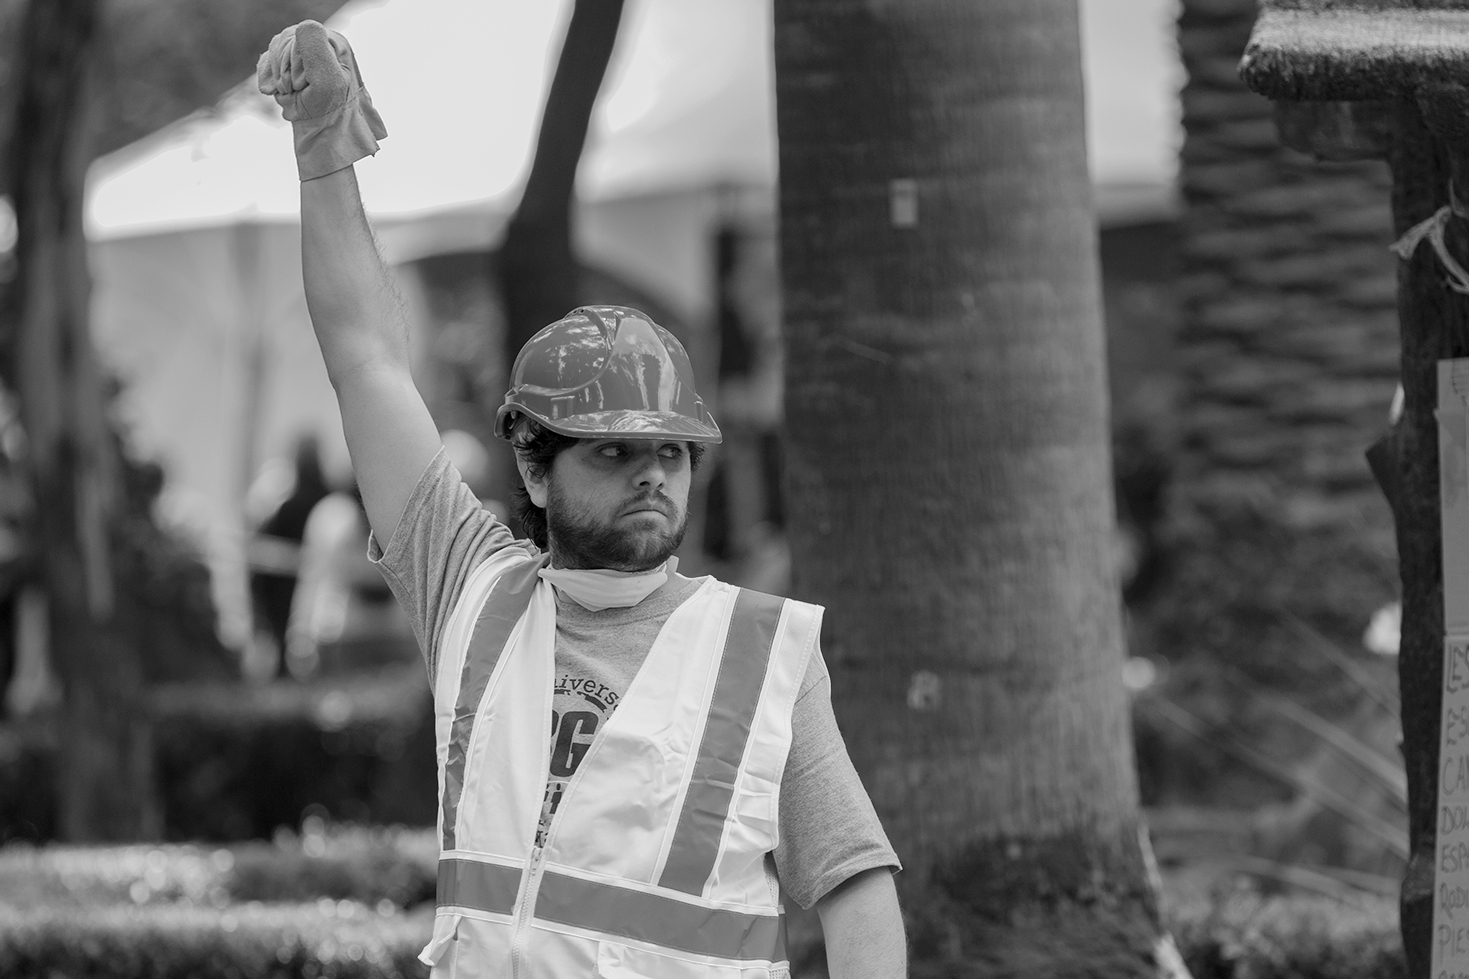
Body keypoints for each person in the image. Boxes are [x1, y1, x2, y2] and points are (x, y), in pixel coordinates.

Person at [258, 21, 906, 978]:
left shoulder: (761, 652)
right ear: (534, 470)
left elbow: (857, 888)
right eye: (613, 451)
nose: (653, 474)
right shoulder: (471, 591)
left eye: (671, 452)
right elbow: (366, 362)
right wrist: (323, 152)